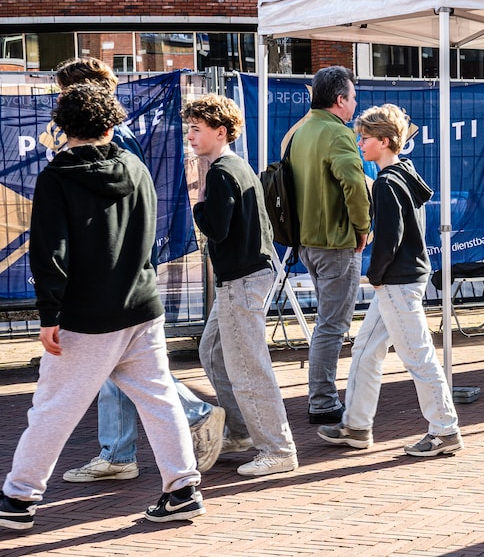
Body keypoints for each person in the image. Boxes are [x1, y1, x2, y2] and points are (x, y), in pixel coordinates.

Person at [0, 84, 204, 531]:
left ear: (61, 127)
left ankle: (18, 498)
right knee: (159, 399)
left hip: (88, 315)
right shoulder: (134, 165)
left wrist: (50, 313)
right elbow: (148, 231)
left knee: (53, 408)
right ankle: (182, 488)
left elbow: (48, 251)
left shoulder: (57, 176)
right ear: (112, 123)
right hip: (141, 305)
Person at [52, 57, 225, 482]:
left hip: (117, 271)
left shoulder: (113, 140)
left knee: (118, 364)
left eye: (64, 92)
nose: (59, 100)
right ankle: (121, 451)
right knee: (121, 364)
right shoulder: (118, 135)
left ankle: (163, 429)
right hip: (124, 267)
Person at [317, 105, 463, 456]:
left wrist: (376, 276)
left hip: (397, 282)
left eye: (365, 138)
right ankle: (356, 425)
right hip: (401, 280)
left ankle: (445, 430)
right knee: (366, 350)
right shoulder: (402, 173)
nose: (359, 143)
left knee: (418, 357)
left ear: (384, 141)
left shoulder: (386, 183)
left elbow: (389, 236)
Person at [184, 95, 299, 477]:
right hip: (245, 276)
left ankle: (277, 448)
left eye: (197, 130)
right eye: (190, 129)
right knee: (213, 351)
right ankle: (241, 430)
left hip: (242, 279)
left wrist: (198, 201)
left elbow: (216, 226)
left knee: (248, 366)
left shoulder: (221, 172)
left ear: (220, 132)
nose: (191, 136)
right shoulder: (233, 166)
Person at [289, 65, 371, 424]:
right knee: (333, 325)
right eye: (352, 97)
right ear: (340, 100)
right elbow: (354, 185)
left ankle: (321, 398)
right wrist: (363, 228)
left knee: (327, 322)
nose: (355, 103)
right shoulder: (337, 134)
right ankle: (322, 401)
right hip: (337, 242)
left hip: (309, 240)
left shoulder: (304, 131)